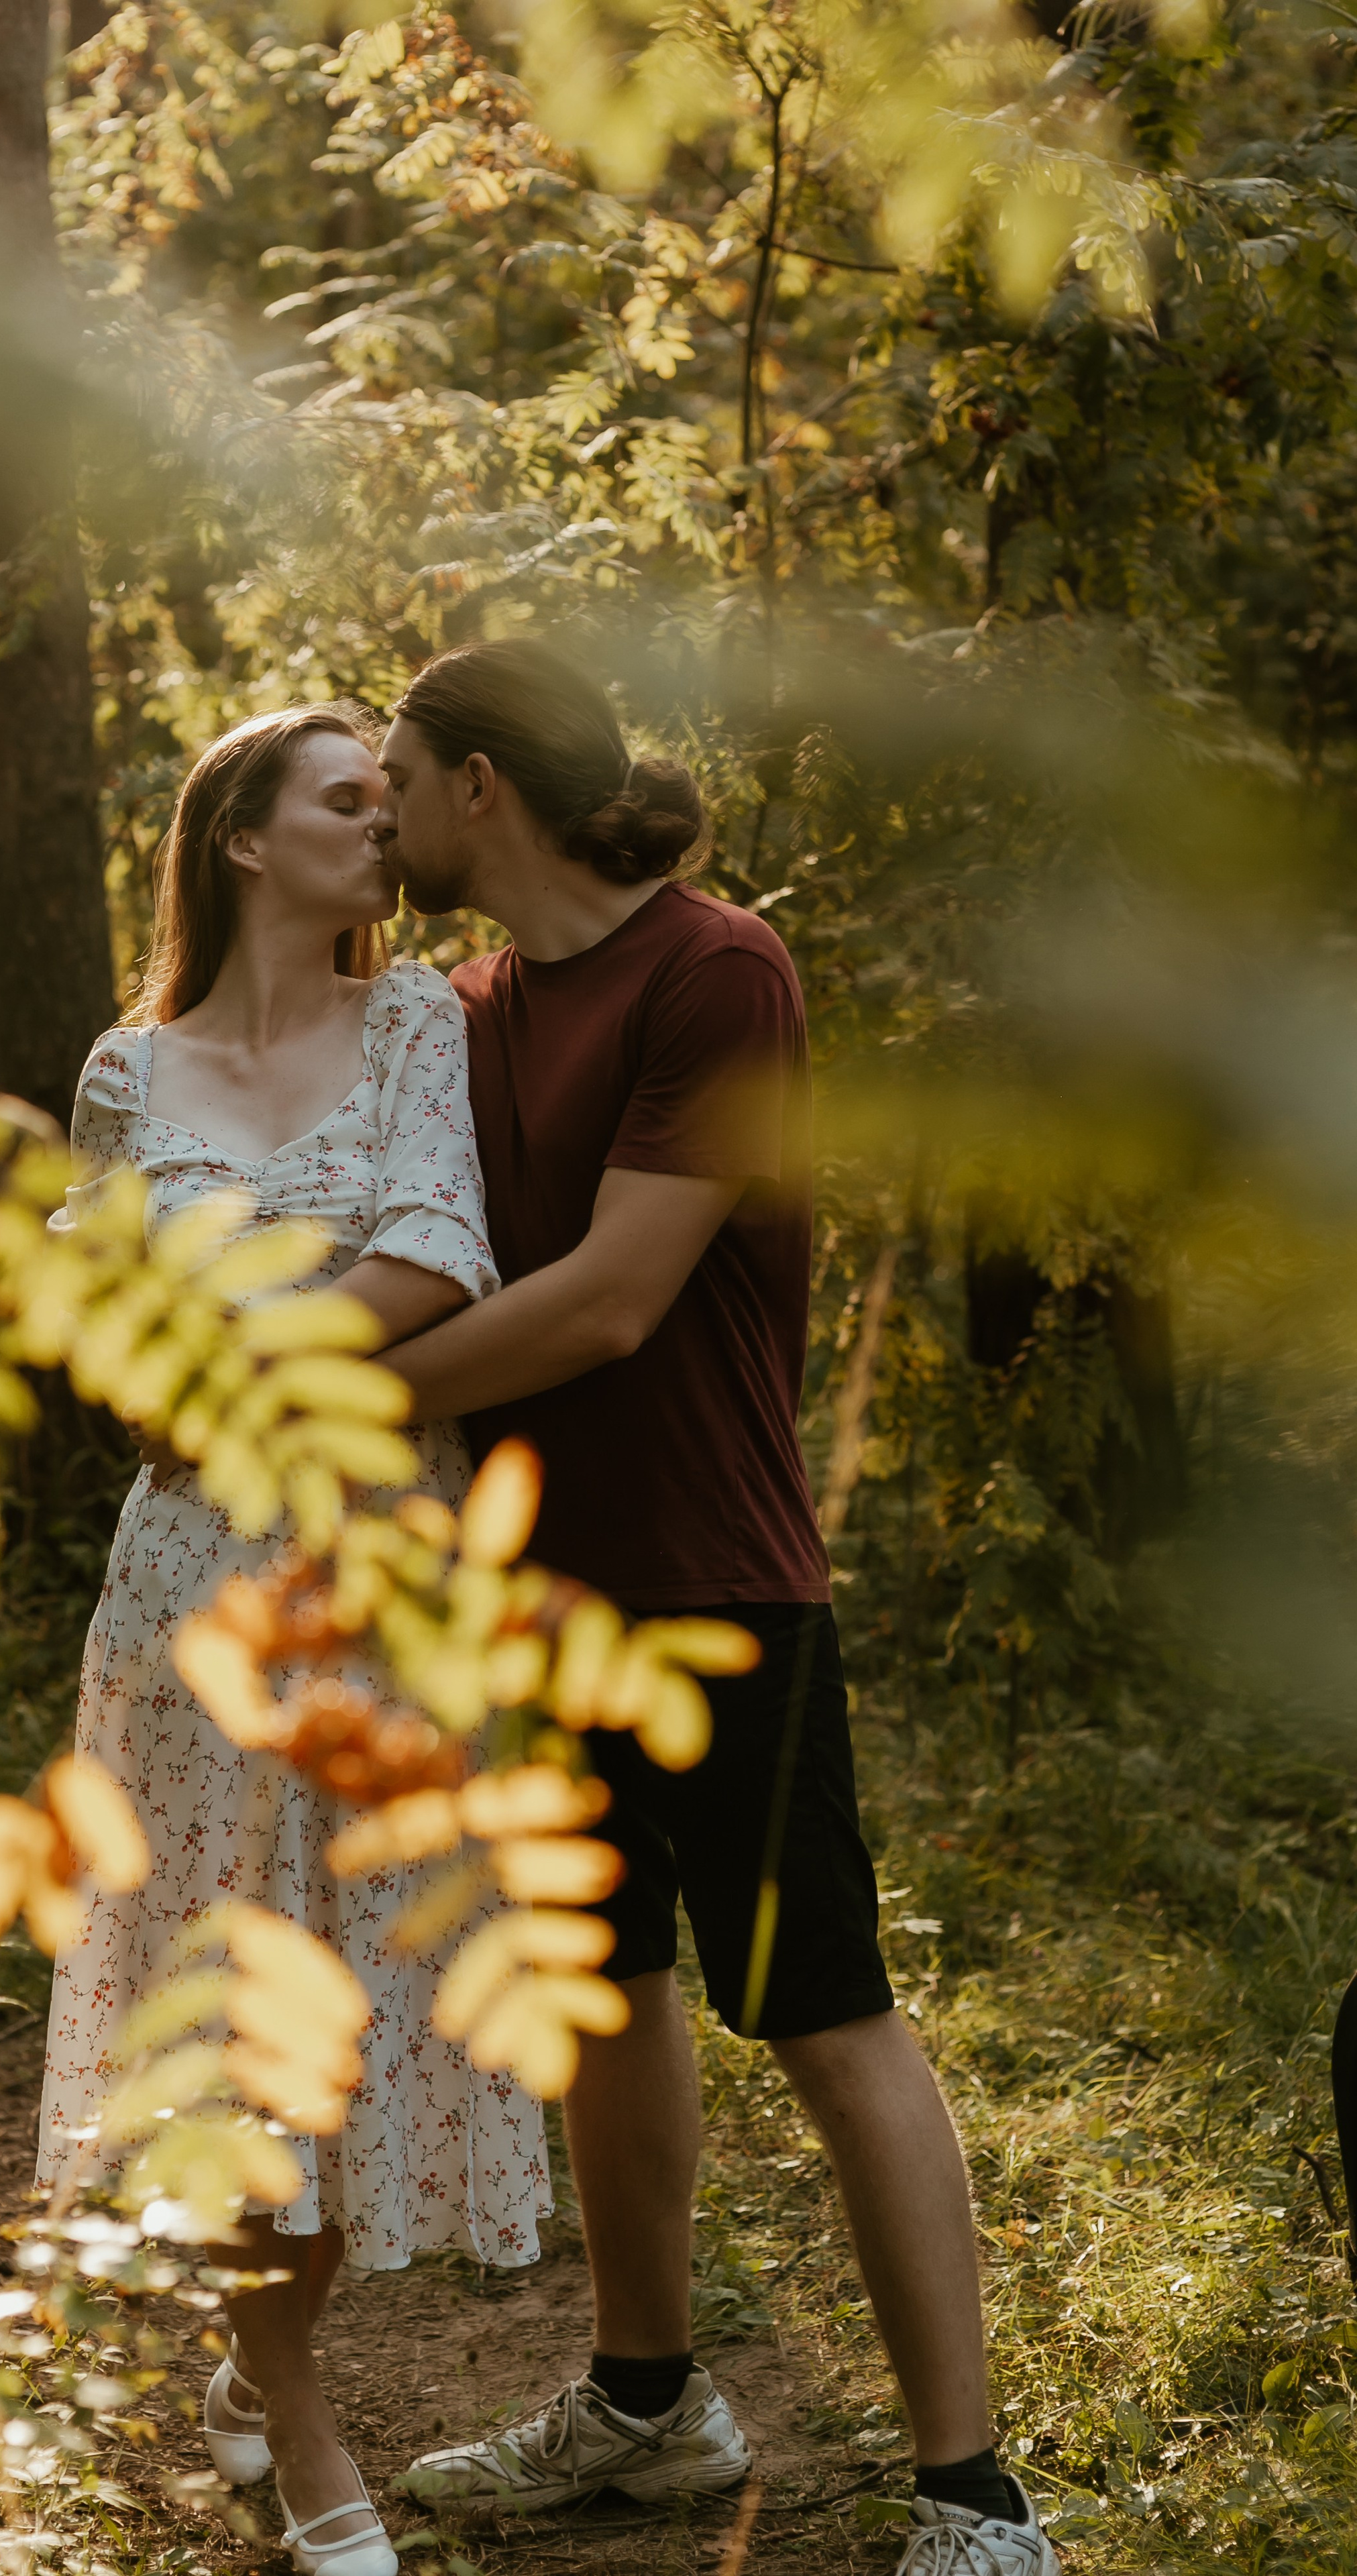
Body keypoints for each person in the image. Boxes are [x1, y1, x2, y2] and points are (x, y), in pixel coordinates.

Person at [369, 641, 1058, 2576]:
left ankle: (974, 2499)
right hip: (538, 1587)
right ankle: (649, 2403)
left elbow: (609, 1299)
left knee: (827, 2016)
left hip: (717, 1587)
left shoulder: (717, 969)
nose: (387, 809)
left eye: (398, 775)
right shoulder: (462, 1010)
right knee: (611, 1991)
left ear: (482, 785)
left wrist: (320, 1391)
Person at [36, 704, 551, 2576]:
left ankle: (262, 2367)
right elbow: (106, 1345)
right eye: (348, 800)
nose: (383, 825)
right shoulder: (125, 1070)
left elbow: (438, 1252)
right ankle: (310, 2438)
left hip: (382, 1582)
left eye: (387, 798)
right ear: (244, 836)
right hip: (182, 1606)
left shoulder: (421, 1020)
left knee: (349, 2027)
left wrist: (227, 1360)